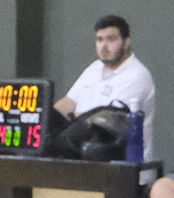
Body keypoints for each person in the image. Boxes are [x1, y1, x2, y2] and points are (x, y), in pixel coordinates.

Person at [53, 14, 157, 159]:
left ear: (126, 42)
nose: (104, 46)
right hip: (82, 162)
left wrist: (70, 122)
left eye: (111, 39)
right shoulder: (93, 69)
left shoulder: (137, 76)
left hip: (123, 169)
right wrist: (47, 119)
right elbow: (67, 104)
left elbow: (106, 121)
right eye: (100, 39)